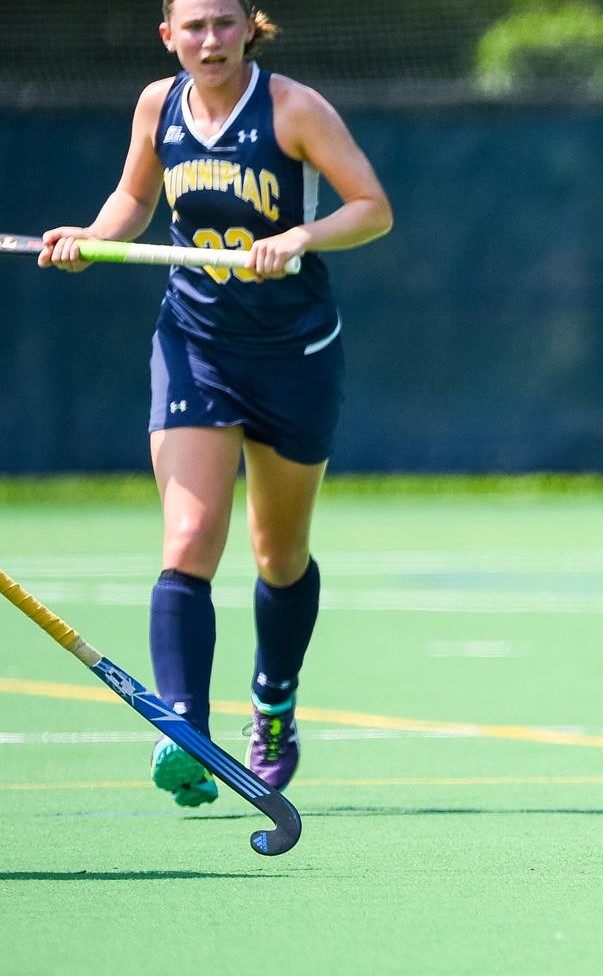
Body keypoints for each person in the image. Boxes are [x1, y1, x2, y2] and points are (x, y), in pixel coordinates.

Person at [39, 0, 392, 805]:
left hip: (294, 355)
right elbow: (133, 200)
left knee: (278, 555)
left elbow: (372, 207)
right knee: (191, 532)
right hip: (196, 344)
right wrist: (89, 239)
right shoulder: (156, 106)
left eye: (223, 24)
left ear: (248, 27)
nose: (209, 41)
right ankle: (185, 726)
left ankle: (273, 702)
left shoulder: (292, 109)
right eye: (192, 27)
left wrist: (301, 238)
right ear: (168, 35)